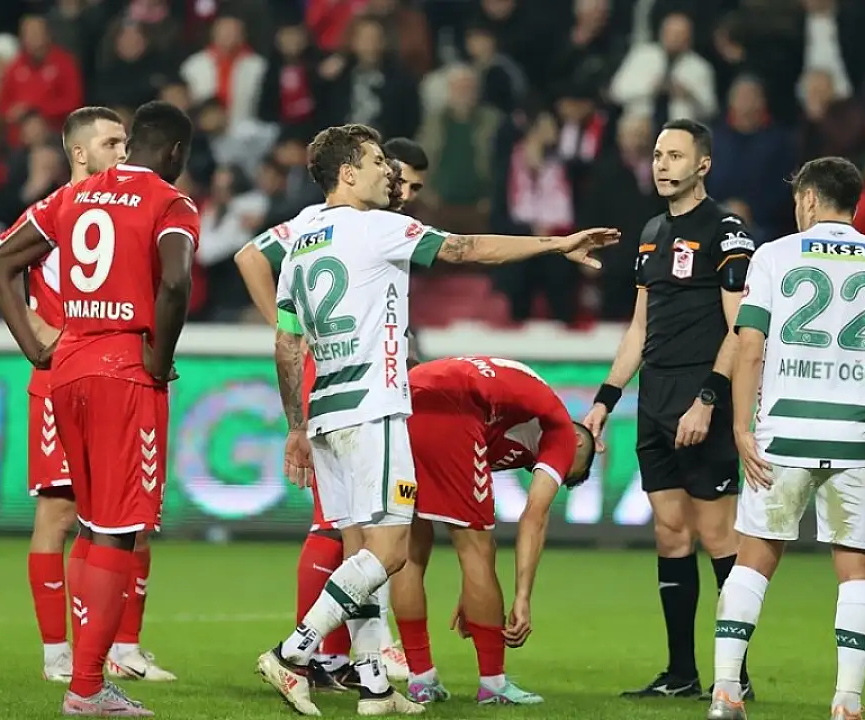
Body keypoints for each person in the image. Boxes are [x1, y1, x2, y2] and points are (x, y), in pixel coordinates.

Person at [256, 123, 618, 717]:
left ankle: (374, 688)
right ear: (347, 173)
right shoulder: (377, 226)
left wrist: (296, 425)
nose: (388, 173)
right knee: (390, 553)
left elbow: (286, 344)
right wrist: (555, 245)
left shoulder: (299, 240)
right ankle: (292, 652)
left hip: (325, 413)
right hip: (375, 408)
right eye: (377, 162)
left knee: (364, 552)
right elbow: (465, 249)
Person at [0, 100, 199, 716]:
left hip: (68, 367)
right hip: (124, 373)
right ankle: (85, 688)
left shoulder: (70, 197)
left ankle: (83, 672)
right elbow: (176, 281)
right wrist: (158, 360)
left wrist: (36, 348)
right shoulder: (171, 202)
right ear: (176, 152)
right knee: (118, 530)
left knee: (87, 523)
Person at [234, 137, 429, 689]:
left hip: (337, 381)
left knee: (358, 531)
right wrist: (293, 328)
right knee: (344, 529)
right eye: (396, 177)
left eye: (414, 187)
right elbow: (249, 256)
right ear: (356, 173)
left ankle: (367, 672)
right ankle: (310, 653)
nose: (403, 190)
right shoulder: (331, 222)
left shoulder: (335, 227)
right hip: (343, 380)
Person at [708, 157, 865, 720]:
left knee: (754, 558)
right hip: (856, 435)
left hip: (784, 428)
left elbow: (750, 345)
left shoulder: (774, 255)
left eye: (798, 199)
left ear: (810, 199)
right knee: (857, 568)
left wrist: (740, 427)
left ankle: (725, 693)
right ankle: (847, 703)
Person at [581, 118, 756, 700]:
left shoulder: (726, 231)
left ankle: (734, 675)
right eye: (658, 154)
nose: (662, 164)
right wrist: (606, 398)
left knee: (718, 534)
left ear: (703, 164)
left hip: (701, 398)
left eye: (675, 155)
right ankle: (682, 675)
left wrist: (708, 399)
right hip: (654, 400)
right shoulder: (653, 231)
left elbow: (740, 328)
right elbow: (639, 329)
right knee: (670, 533)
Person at [392, 356, 596, 706]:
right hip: (451, 406)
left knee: (410, 546)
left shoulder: (510, 424)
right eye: (568, 473)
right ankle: (493, 684)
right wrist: (522, 598)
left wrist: (473, 593)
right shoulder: (562, 431)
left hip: (404, 402)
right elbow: (534, 517)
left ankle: (421, 679)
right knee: (478, 550)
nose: (556, 473)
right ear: (579, 443)